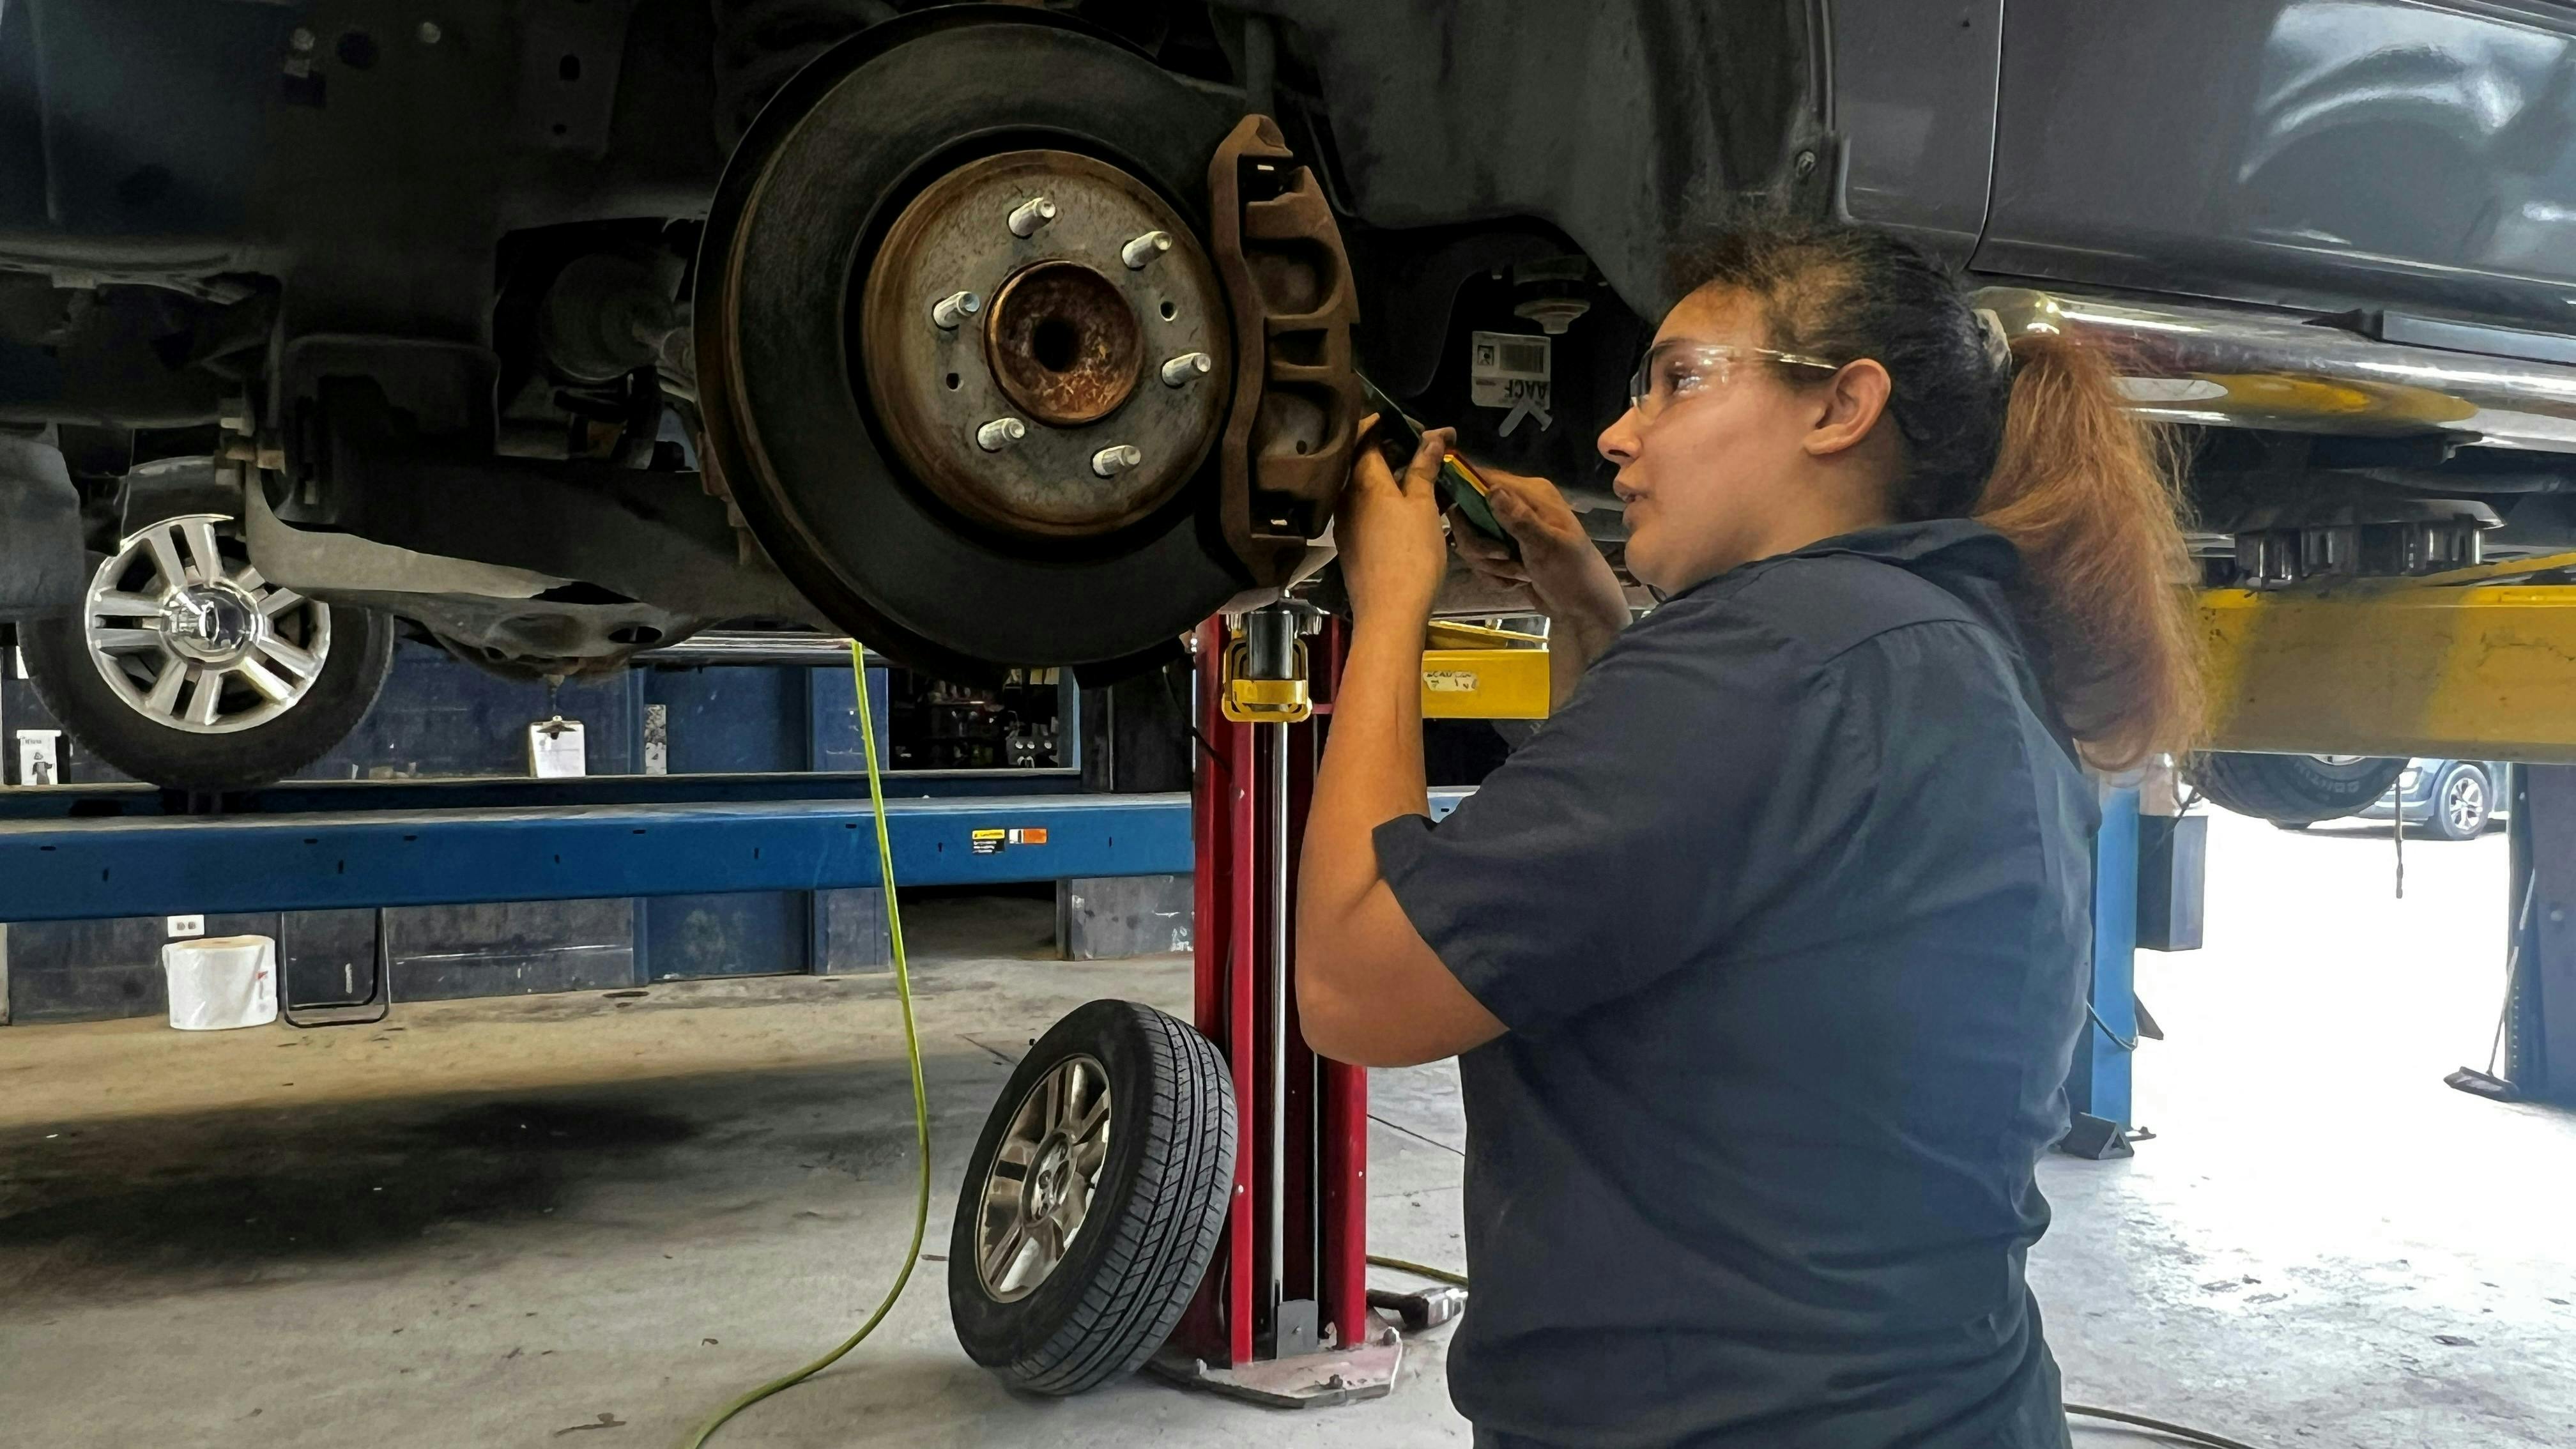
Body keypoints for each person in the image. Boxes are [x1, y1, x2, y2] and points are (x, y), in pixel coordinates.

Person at [1293, 217, 2202, 1448]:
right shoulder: (1942, 645)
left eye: (1677, 379)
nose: (1617, 433)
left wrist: (1389, 603)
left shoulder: (1778, 656)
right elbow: (1682, 874)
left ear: (1841, 407)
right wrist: (1589, 606)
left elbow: (1358, 985)